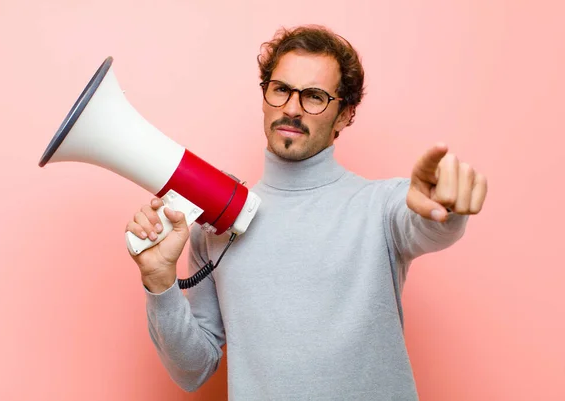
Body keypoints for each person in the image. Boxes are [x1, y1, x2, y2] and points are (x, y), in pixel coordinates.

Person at [125, 25, 488, 400]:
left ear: (345, 116)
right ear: (265, 97)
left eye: (314, 96)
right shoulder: (217, 223)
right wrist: (159, 281)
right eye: (281, 89)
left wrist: (444, 208)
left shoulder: (381, 205)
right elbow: (193, 370)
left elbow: (426, 226)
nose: (292, 108)